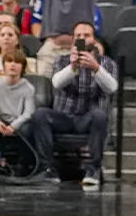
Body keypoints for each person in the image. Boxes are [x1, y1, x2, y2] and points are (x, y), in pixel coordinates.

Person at [40, 21, 116, 187]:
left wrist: (96, 68)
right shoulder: (62, 60)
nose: (82, 38)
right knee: (40, 116)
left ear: (94, 40)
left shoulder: (106, 63)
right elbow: (56, 84)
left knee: (100, 116)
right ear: (73, 39)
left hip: (88, 119)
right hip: (65, 117)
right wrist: (73, 67)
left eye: (86, 35)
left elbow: (112, 88)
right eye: (79, 36)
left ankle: (93, 169)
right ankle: (48, 168)